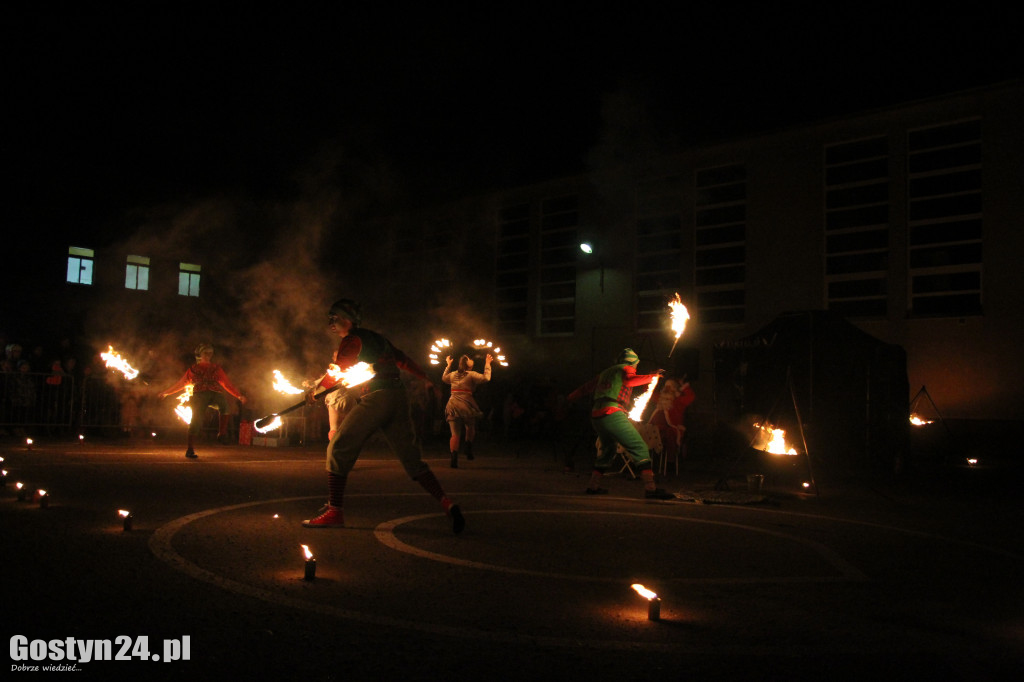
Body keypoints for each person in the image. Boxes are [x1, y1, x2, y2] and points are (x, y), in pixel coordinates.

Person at [301, 298, 464, 534]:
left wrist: (315, 392)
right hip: (398, 398)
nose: (330, 324)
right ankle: (448, 504)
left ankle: (335, 512)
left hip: (377, 397)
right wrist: (425, 377)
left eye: (334, 319)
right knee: (412, 460)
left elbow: (338, 373)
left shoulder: (350, 340)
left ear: (347, 319)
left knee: (337, 447)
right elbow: (403, 360)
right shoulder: (378, 339)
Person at [567, 348, 674, 499]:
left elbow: (586, 388)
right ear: (633, 362)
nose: (635, 369)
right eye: (636, 365)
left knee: (608, 450)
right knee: (639, 446)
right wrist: (653, 377)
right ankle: (651, 488)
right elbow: (630, 380)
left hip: (597, 415)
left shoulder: (605, 372)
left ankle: (593, 486)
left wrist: (570, 398)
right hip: (612, 413)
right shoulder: (626, 368)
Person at [158, 343, 247, 458]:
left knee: (225, 407)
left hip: (215, 393)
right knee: (196, 421)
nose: (208, 355)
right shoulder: (193, 369)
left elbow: (226, 383)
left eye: (210, 353)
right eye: (206, 353)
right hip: (199, 395)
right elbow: (181, 383)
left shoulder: (216, 368)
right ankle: (190, 449)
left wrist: (239, 396)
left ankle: (222, 434)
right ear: (200, 354)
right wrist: (166, 392)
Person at [442, 352, 492, 467]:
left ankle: (454, 458)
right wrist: (487, 364)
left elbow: (444, 378)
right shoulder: (471, 374)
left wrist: (448, 365)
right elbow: (486, 378)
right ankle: (468, 448)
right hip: (466, 405)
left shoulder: (453, 374)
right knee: (470, 426)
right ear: (470, 366)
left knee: (455, 434)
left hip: (453, 404)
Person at [649, 375, 696, 472]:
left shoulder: (678, 401)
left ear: (674, 389)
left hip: (671, 429)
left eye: (669, 386)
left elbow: (690, 397)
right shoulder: (660, 398)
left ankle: (670, 463)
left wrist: (684, 386)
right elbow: (649, 392)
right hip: (655, 429)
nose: (666, 388)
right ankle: (642, 462)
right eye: (666, 386)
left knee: (669, 434)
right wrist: (651, 379)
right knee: (644, 430)